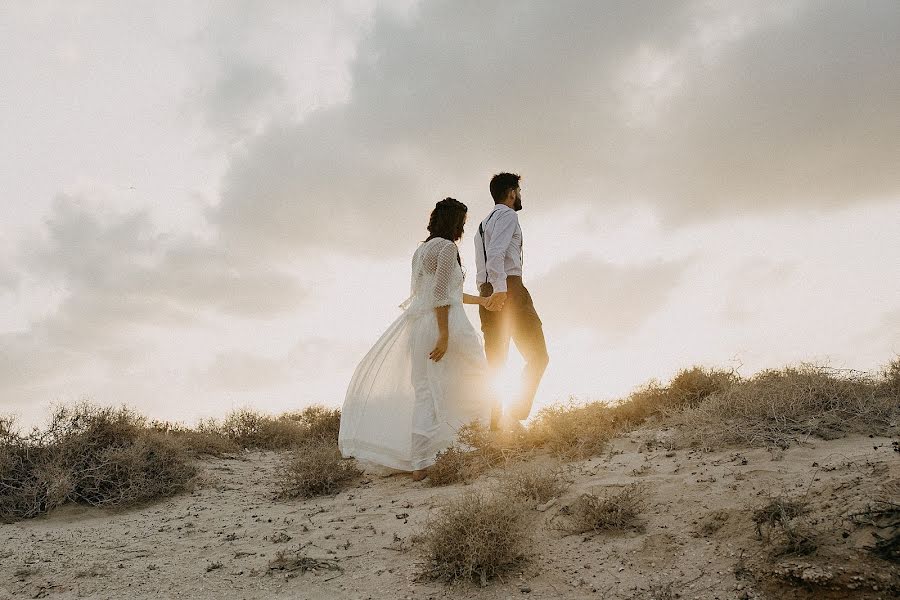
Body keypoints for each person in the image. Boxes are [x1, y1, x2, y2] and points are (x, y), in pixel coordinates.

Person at [339, 198, 498, 481]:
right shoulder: (448, 248)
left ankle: (421, 463)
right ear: (454, 222)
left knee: (426, 390)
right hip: (445, 325)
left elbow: (442, 292)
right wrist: (445, 335)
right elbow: (440, 297)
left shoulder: (421, 250)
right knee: (476, 379)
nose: (463, 227)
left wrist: (483, 303)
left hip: (420, 326)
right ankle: (471, 446)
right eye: (462, 221)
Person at [475, 172, 549, 429]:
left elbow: (483, 264)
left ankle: (495, 428)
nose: (519, 196)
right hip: (508, 290)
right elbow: (496, 254)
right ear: (511, 192)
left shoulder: (481, 225)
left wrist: (490, 292)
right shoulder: (508, 215)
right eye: (518, 191)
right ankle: (516, 413)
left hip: (487, 293)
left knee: (496, 362)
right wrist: (501, 290)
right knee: (539, 356)